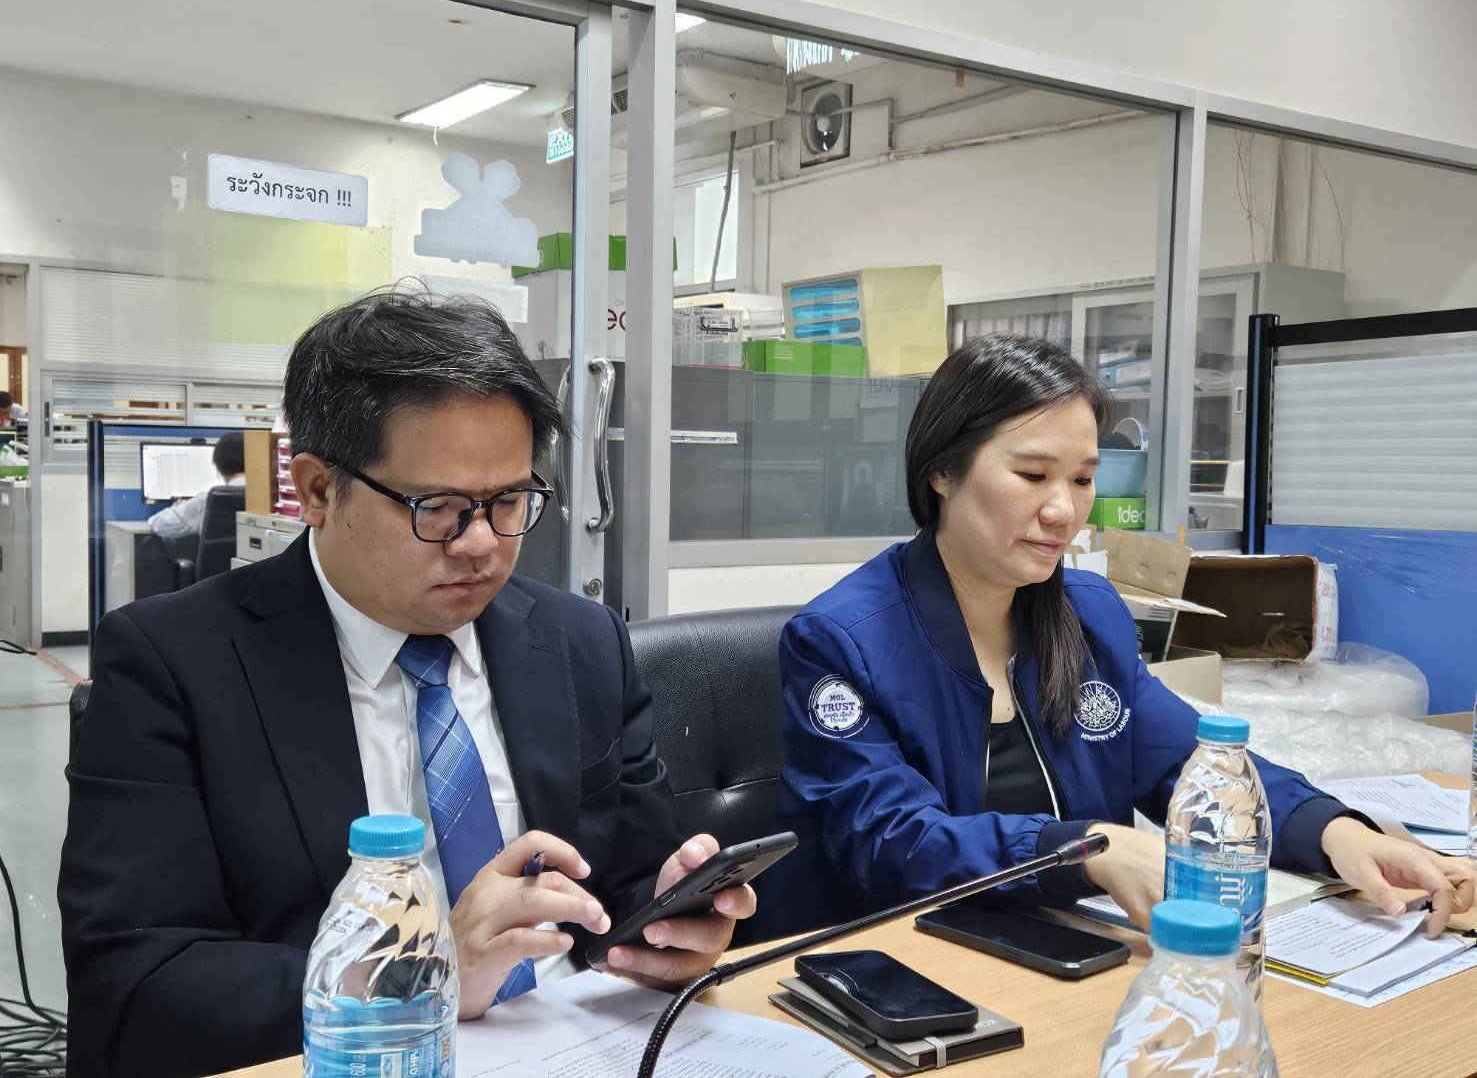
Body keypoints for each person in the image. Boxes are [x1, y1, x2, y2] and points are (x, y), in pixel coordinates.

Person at [60, 289, 757, 1077]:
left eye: (509, 500)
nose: (481, 545)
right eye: (438, 507)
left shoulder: (579, 642)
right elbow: (137, 976)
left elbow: (623, 883)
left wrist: (665, 921)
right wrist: (419, 973)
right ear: (317, 491)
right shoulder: (172, 663)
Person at [763, 335, 1474, 938]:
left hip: (1076, 944)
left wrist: (1333, 831)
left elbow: (1186, 766)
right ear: (942, 470)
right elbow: (888, 842)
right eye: (1032, 474)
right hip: (912, 956)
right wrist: (1084, 850)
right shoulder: (841, 640)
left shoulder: (1086, 612)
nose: (1063, 510)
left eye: (1082, 479)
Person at [146, 431, 246, 540]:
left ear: (217, 465)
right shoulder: (261, 496)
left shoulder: (206, 501)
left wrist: (179, 508)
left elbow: (157, 524)